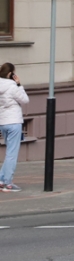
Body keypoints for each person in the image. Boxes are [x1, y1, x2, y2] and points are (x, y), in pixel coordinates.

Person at [0, 63, 29, 192]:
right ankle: (8, 184)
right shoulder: (13, 87)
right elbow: (25, 100)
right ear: (10, 74)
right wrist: (19, 84)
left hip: (3, 123)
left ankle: (1, 180)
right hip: (14, 122)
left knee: (9, 153)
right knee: (12, 154)